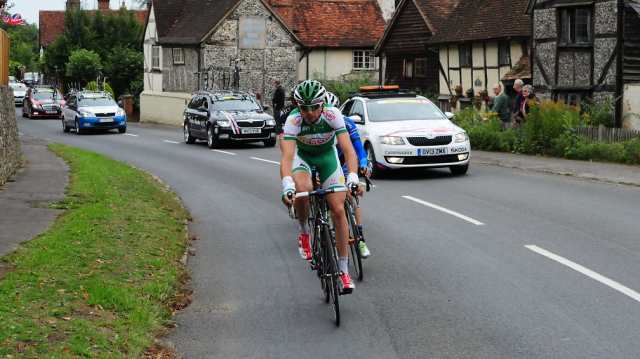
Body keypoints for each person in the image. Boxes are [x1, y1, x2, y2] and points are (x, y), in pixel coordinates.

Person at [280, 80, 361, 294]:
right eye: (303, 107)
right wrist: (287, 185)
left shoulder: (333, 115)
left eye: (314, 106)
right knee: (303, 189)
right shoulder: (294, 120)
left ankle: (343, 271)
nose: (309, 112)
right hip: (303, 157)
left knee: (338, 210)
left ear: (323, 103)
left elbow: (349, 151)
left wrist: (352, 177)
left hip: (327, 158)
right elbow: (287, 158)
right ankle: (305, 230)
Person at [324, 92, 371, 258]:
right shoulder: (319, 125)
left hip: (343, 163)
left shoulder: (347, 122)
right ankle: (329, 228)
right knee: (328, 198)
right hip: (327, 164)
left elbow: (358, 149)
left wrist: (364, 164)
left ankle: (360, 239)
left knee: (351, 196)